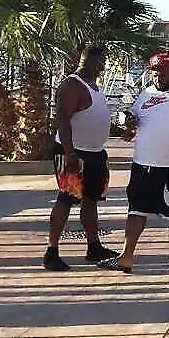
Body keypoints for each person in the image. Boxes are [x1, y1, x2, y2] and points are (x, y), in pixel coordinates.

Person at [97, 53, 169, 273]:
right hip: (143, 164)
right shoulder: (145, 93)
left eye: (162, 71)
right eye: (154, 71)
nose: (157, 76)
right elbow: (135, 119)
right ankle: (126, 256)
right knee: (136, 209)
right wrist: (128, 127)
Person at [44, 46, 120, 271]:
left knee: (90, 199)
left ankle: (93, 246)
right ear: (86, 61)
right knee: (66, 198)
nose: (102, 67)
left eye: (103, 63)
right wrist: (69, 153)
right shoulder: (71, 85)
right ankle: (52, 251)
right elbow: (62, 119)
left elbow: (95, 118)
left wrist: (121, 129)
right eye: (98, 63)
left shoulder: (95, 87)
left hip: (95, 152)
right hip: (73, 152)